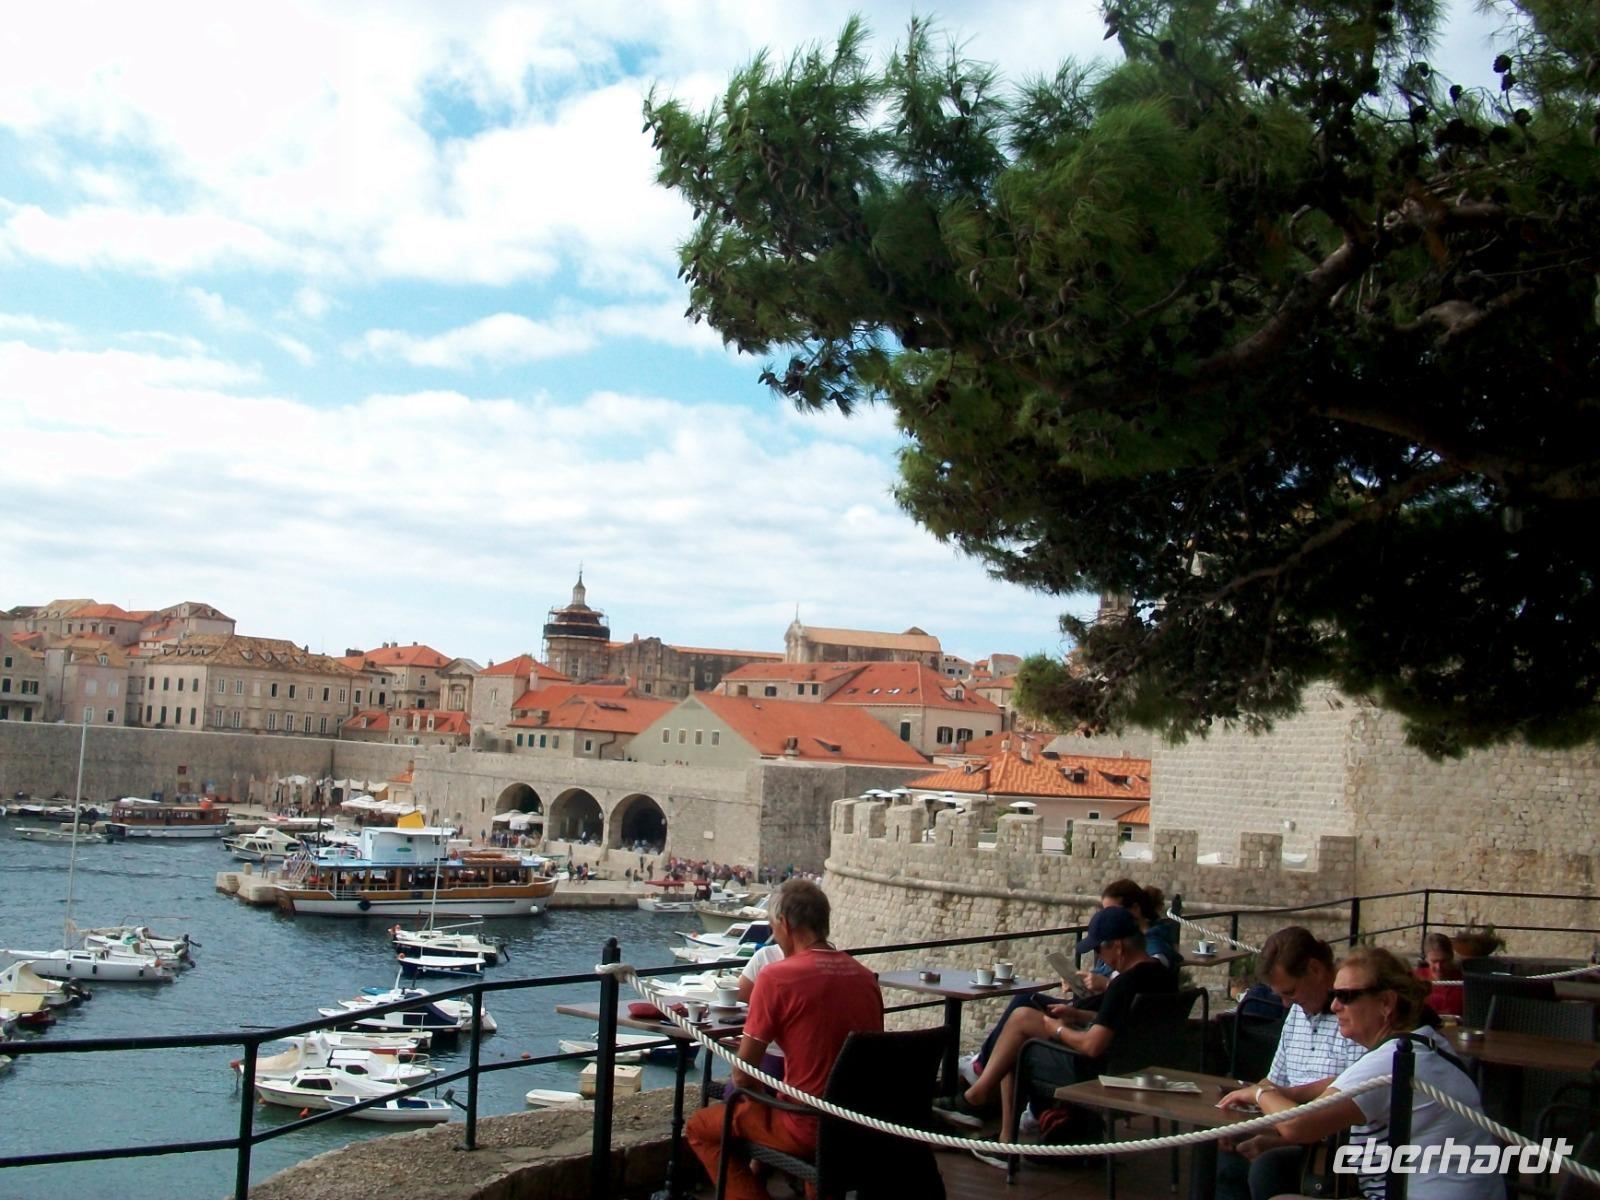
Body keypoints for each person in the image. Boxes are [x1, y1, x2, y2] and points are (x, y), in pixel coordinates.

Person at [685, 878, 882, 1200]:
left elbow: (742, 1075)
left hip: (807, 1125)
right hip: (861, 1126)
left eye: (772, 925)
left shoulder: (777, 978)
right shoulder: (864, 977)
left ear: (785, 924)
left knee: (700, 1128)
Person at [1261, 946, 1501, 1199]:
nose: (1334, 1006)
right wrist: (1289, 1094)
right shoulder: (1427, 1042)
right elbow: (1352, 1088)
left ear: (1386, 1003)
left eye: (1345, 996)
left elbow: (1297, 1126)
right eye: (1334, 995)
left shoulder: (1391, 1059)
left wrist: (1260, 1093)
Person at [934, 905, 1176, 1144]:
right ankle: (980, 1102)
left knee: (1018, 1034)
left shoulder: (1123, 984)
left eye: (1098, 950)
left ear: (1118, 946)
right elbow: (1123, 1020)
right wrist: (1077, 1015)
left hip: (1099, 1072)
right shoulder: (1162, 976)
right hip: (1138, 1068)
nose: (1098, 957)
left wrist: (1056, 1029)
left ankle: (996, 1127)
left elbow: (1092, 1046)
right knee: (1022, 1020)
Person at [1215, 926, 1369, 1200]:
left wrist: (1276, 1115)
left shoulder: (1354, 1015)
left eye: (1291, 992)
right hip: (1291, 1127)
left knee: (1266, 1168)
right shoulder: (1297, 1012)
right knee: (1223, 1157)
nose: (1286, 1004)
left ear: (1315, 969)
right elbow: (1275, 1080)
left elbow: (1353, 1087)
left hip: (1330, 1141)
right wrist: (1242, 1117)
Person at [1416, 933, 1465, 1018]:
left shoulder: (1464, 980)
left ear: (1451, 957)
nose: (1439, 967)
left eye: (1443, 961)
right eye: (1434, 961)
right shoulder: (1416, 979)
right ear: (1426, 959)